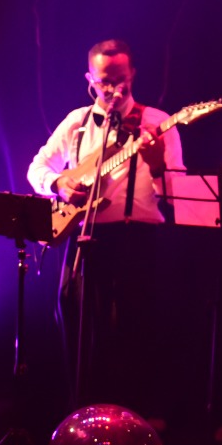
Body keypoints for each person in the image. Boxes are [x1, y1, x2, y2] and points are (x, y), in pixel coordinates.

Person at [26, 39, 184, 418]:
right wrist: (59, 185)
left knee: (131, 333)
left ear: (133, 75)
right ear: (89, 79)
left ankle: (128, 422)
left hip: (135, 240)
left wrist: (159, 165)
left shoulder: (158, 123)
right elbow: (37, 167)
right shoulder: (77, 122)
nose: (114, 89)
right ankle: (81, 417)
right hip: (85, 239)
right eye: (104, 81)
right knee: (75, 327)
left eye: (121, 80)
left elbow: (179, 196)